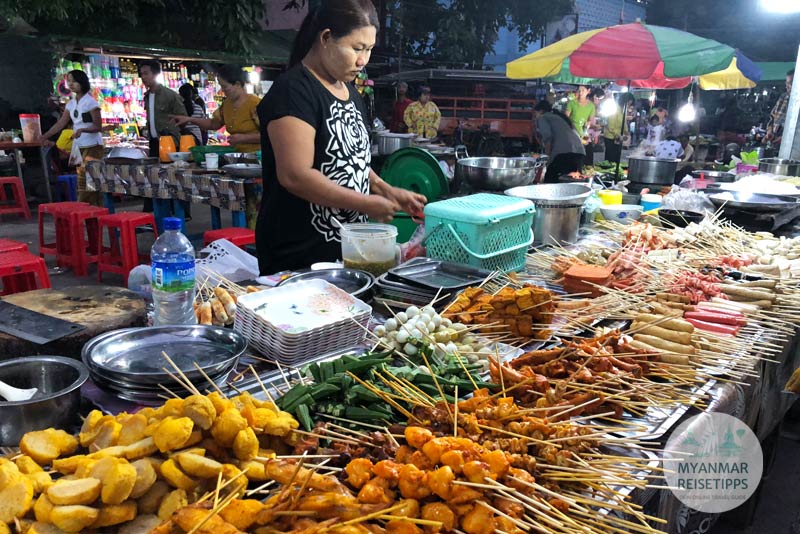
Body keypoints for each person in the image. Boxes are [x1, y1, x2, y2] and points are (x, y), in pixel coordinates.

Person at [255, 0, 427, 275]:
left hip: (345, 254)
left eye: (369, 49)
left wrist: (385, 189)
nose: (363, 60)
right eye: (356, 48)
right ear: (325, 38)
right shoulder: (293, 91)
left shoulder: (349, 91)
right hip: (298, 257)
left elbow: (352, 159)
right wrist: (365, 203)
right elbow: (295, 175)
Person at [38, 70, 103, 206]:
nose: (71, 84)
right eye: (69, 81)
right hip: (79, 146)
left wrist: (83, 129)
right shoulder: (71, 104)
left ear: (82, 82)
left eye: (74, 81)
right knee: (85, 179)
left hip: (93, 146)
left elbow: (98, 126)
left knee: (88, 180)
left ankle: (84, 207)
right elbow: (60, 123)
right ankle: (92, 211)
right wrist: (45, 135)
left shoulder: (91, 102)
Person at [172, 66, 261, 152]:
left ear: (237, 84)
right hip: (236, 157)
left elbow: (271, 134)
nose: (222, 90)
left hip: (258, 158)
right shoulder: (227, 104)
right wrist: (189, 119)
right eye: (221, 86)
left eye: (225, 87)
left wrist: (244, 138)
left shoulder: (255, 104)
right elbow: (213, 124)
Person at [139, 60, 186, 157]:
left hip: (170, 142)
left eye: (146, 73)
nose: (143, 77)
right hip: (154, 142)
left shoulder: (170, 95)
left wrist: (171, 127)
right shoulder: (147, 96)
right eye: (141, 74)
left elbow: (183, 119)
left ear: (155, 74)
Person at [534, 100, 585, 184]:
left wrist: (548, 159)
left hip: (564, 154)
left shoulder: (543, 117)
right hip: (579, 153)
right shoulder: (558, 117)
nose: (535, 117)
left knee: (550, 181)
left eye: (535, 114)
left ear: (540, 111)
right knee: (573, 184)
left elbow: (548, 138)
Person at [764, 69, 794, 147]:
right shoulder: (783, 97)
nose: (787, 86)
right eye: (787, 83)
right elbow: (772, 117)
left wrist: (785, 139)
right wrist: (770, 131)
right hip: (776, 146)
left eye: (791, 83)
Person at [603, 94, 633, 165]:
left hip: (619, 138)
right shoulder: (615, 109)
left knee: (616, 159)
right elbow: (610, 126)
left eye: (630, 104)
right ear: (624, 102)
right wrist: (618, 135)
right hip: (610, 137)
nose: (629, 106)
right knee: (610, 159)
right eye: (628, 104)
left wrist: (626, 132)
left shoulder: (623, 111)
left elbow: (624, 123)